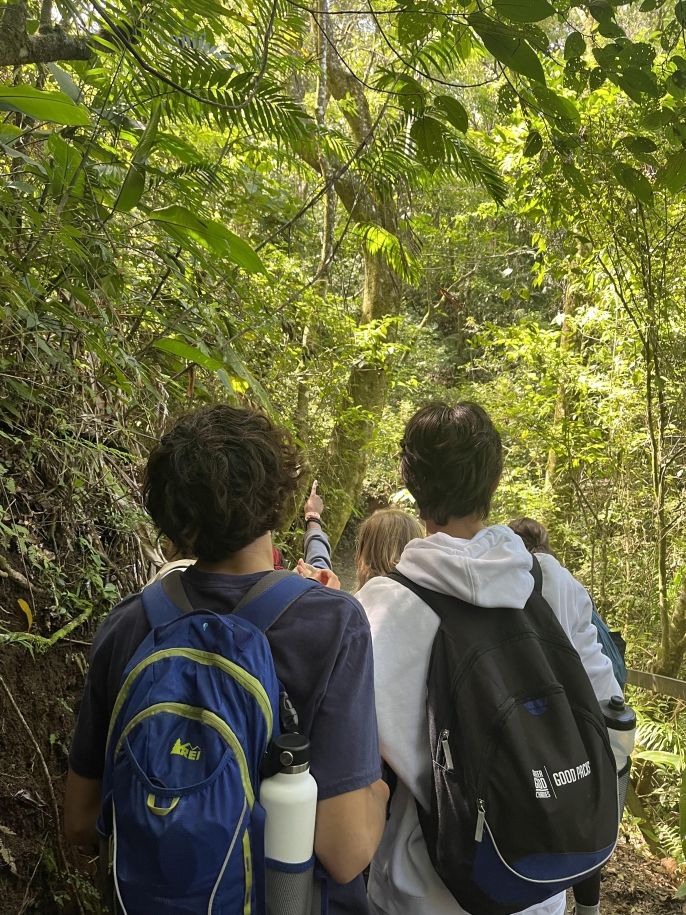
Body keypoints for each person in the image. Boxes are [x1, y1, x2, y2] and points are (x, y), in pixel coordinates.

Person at [64, 404, 389, 914]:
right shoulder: (333, 624)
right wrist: (379, 794)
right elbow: (345, 852)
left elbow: (81, 820)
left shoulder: (127, 625)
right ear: (277, 498)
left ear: (171, 516)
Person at [356, 402, 623, 915]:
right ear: (493, 479)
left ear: (411, 482)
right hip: (537, 879)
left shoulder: (382, 608)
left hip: (426, 889)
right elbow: (610, 715)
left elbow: (357, 759)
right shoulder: (549, 583)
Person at [508, 516, 631, 915]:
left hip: (525, 724)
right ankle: (584, 903)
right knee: (575, 812)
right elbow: (605, 682)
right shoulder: (569, 585)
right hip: (575, 729)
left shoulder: (508, 579)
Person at [296, 481, 423, 591]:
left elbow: (320, 570)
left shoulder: (353, 609)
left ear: (363, 554)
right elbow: (320, 568)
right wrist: (313, 516)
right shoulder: (428, 601)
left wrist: (312, 516)